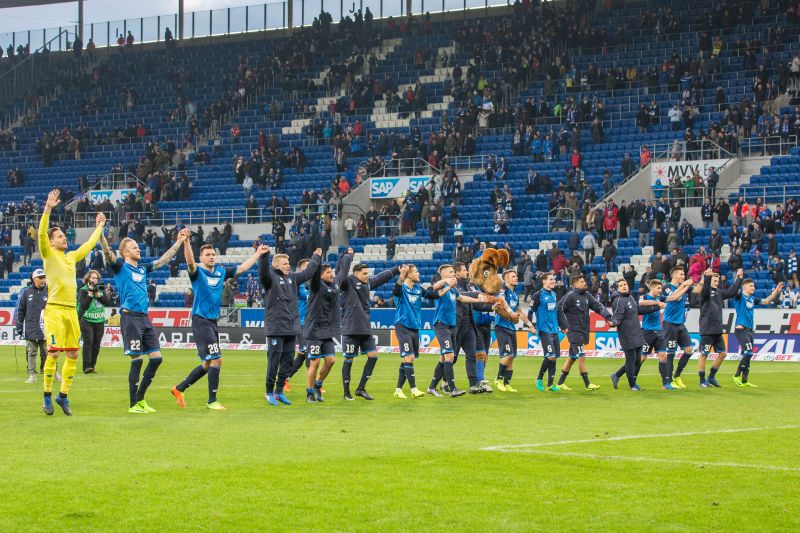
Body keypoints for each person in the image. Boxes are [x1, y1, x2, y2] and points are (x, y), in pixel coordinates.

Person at [101, 227, 189, 414]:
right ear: (125, 252)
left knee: (157, 359)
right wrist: (100, 231)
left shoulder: (143, 269)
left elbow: (164, 260)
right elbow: (107, 252)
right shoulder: (119, 267)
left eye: (138, 247)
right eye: (134, 247)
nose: (138, 249)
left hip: (144, 318)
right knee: (137, 359)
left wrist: (179, 241)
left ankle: (140, 399)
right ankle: (134, 404)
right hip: (130, 317)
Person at [172, 243, 267, 410]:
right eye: (207, 254)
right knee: (217, 359)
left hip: (212, 321)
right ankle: (212, 401)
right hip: (200, 320)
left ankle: (179, 388)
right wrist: (187, 242)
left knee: (208, 363)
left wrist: (258, 253)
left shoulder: (221, 272)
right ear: (201, 258)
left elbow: (243, 268)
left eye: (213, 254)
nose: (211, 257)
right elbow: (189, 261)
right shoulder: (197, 272)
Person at [38, 190, 105, 416]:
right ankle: (47, 396)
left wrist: (99, 227)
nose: (64, 238)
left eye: (64, 235)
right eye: (59, 236)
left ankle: (62, 396)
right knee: (54, 353)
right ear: (50, 241)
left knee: (74, 354)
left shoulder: (70, 257)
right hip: (55, 311)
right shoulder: (48, 254)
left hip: (71, 311)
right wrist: (48, 208)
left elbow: (88, 245)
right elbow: (40, 234)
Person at [258, 245, 321, 405]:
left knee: (287, 363)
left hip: (291, 328)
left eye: (288, 263)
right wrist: (264, 256)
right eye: (285, 263)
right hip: (275, 328)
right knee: (274, 362)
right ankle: (269, 392)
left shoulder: (292, 278)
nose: (288, 266)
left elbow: (307, 273)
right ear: (276, 265)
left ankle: (279, 391)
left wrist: (316, 257)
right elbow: (263, 272)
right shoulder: (270, 278)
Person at [336, 250, 399, 400]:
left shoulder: (367, 283)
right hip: (350, 328)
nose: (367, 276)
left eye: (367, 273)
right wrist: (348, 256)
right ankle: (346, 392)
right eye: (364, 273)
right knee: (349, 359)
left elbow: (381, 277)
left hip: (365, 328)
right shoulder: (347, 282)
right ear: (356, 273)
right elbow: (341, 270)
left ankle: (361, 388)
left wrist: (396, 269)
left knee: (373, 356)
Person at [426, 264, 487, 398]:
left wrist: (477, 299)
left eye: (454, 272)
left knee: (444, 358)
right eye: (451, 272)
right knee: (449, 356)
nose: (453, 274)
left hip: (452, 326)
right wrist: (445, 282)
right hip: (441, 325)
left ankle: (431, 387)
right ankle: (452, 389)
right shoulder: (441, 287)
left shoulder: (453, 290)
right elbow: (432, 288)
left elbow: (463, 298)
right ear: (443, 275)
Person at [392, 264, 443, 399]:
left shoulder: (418, 289)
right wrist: (401, 275)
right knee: (409, 357)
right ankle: (414, 389)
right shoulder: (401, 288)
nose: (419, 274)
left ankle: (398, 390)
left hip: (415, 327)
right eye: (416, 272)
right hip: (402, 326)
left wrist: (448, 285)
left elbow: (435, 295)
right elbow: (395, 291)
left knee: (406, 360)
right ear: (409, 275)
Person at [556, 274, 612, 390]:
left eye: (584, 281)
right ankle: (588, 384)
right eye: (581, 282)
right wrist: (563, 325)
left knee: (572, 357)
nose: (584, 283)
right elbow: (559, 308)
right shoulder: (570, 296)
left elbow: (597, 306)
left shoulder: (586, 295)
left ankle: (560, 383)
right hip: (573, 331)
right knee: (582, 356)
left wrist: (607, 316)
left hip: (583, 330)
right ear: (575, 284)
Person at [610, 279, 670, 388]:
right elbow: (617, 317)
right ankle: (632, 385)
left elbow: (639, 310)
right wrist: (613, 323)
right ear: (618, 289)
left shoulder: (631, 297)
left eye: (625, 284)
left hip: (636, 333)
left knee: (637, 360)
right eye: (621, 285)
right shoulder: (618, 300)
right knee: (631, 360)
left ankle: (616, 375)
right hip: (627, 334)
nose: (624, 286)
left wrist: (657, 307)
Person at [732, 279, 783, 387]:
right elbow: (734, 290)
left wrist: (776, 291)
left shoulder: (752, 298)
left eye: (754, 285)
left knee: (749, 355)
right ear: (744, 287)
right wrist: (738, 278)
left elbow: (766, 301)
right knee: (748, 353)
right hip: (740, 329)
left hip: (750, 330)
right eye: (751, 286)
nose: (753, 287)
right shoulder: (739, 296)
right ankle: (736, 375)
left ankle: (745, 381)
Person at [697, 268, 744, 387]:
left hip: (717, 329)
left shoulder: (719, 292)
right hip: (707, 329)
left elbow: (731, 292)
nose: (717, 283)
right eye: (714, 281)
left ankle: (711, 377)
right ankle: (702, 380)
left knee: (723, 353)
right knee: (704, 354)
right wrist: (707, 277)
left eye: (718, 281)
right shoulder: (704, 292)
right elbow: (706, 290)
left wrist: (739, 279)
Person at [302, 262, 341, 403]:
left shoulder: (332, 287)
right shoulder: (316, 286)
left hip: (326, 330)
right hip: (314, 330)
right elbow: (313, 276)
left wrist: (346, 257)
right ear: (320, 275)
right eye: (328, 272)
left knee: (331, 360)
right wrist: (316, 260)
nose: (332, 274)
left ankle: (318, 385)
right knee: (315, 362)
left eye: (332, 272)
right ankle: (309, 392)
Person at [453, 261, 494, 394]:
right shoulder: (458, 286)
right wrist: (477, 295)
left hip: (473, 326)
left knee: (475, 355)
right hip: (460, 326)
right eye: (464, 270)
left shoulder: (476, 287)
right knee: (452, 357)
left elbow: (477, 305)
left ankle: (475, 383)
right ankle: (442, 381)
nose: (466, 272)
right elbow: (464, 298)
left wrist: (492, 307)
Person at [493, 270, 535, 392]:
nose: (516, 278)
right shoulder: (503, 290)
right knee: (508, 354)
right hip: (501, 326)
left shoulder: (515, 295)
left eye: (516, 276)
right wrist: (510, 313)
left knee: (512, 357)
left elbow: (520, 312)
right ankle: (498, 380)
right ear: (507, 279)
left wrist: (529, 325)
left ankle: (507, 383)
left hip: (511, 328)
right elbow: (500, 300)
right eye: (513, 276)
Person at [663, 267, 696, 388]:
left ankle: (676, 376)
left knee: (689, 350)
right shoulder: (666, 287)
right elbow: (673, 298)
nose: (684, 276)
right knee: (670, 353)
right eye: (682, 274)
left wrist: (705, 279)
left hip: (680, 324)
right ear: (675, 276)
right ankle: (668, 381)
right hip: (669, 324)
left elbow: (698, 289)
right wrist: (685, 286)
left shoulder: (684, 287)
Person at [529, 273, 562, 392]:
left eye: (554, 279)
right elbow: (530, 311)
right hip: (544, 330)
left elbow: (556, 312)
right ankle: (539, 378)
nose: (554, 281)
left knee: (555, 358)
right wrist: (531, 326)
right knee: (551, 356)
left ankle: (550, 384)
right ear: (544, 281)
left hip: (554, 330)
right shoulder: (538, 295)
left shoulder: (554, 294)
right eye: (551, 279)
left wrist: (562, 326)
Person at [283, 259, 311, 391]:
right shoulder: (297, 283)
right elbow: (307, 297)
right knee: (309, 351)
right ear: (300, 270)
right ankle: (314, 384)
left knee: (302, 354)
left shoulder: (314, 283)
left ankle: (285, 379)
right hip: (301, 322)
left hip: (311, 323)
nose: (309, 268)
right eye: (306, 267)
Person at [15, 269, 48, 383]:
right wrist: (19, 326)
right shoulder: (26, 292)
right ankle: (32, 375)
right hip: (30, 327)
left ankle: (53, 373)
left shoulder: (50, 291)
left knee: (50, 352)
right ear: (34, 279)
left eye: (44, 277)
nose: (43, 279)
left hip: (46, 329)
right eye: (40, 277)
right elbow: (21, 310)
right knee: (32, 352)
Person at [78, 270, 112, 374]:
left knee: (96, 345)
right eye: (92, 277)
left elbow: (108, 303)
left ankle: (92, 366)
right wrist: (89, 294)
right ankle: (86, 366)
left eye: (96, 278)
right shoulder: (83, 289)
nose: (94, 279)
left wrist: (99, 295)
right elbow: (83, 305)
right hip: (86, 319)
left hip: (99, 320)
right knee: (88, 342)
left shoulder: (101, 289)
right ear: (88, 278)